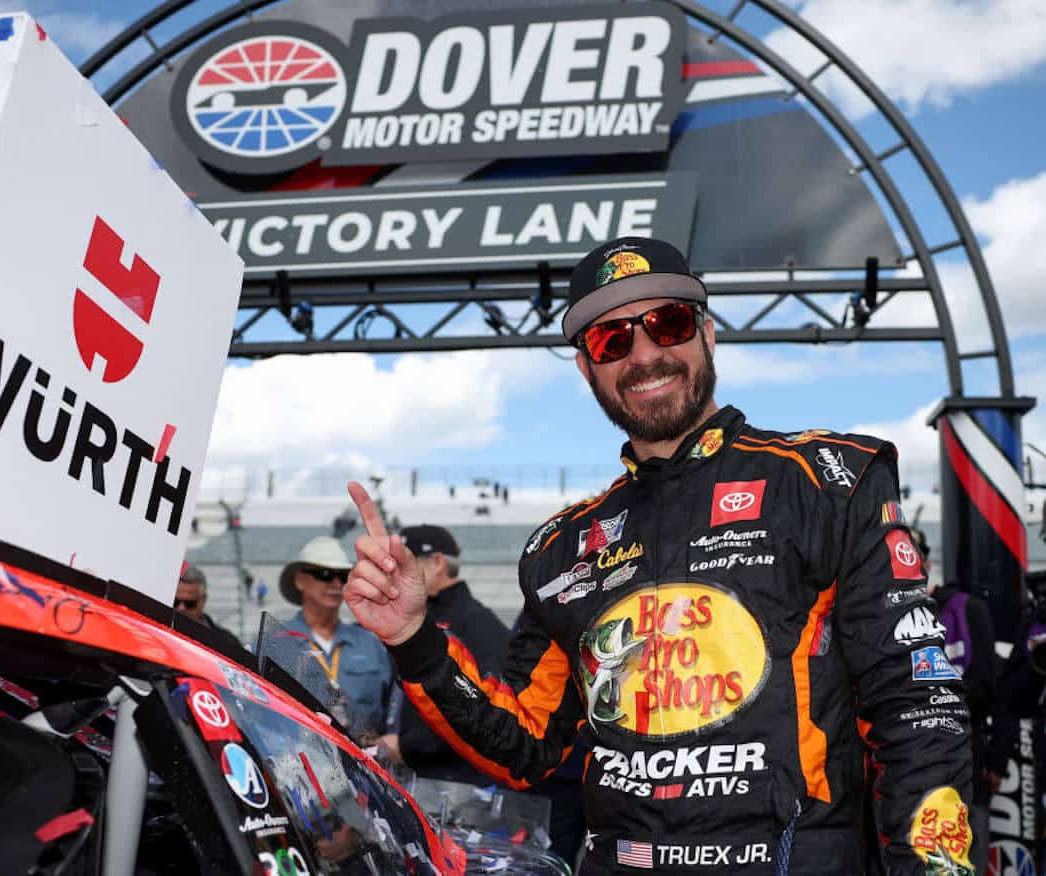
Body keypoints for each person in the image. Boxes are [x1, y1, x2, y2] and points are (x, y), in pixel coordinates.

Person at [341, 236, 974, 875]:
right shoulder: (561, 549)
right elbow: (526, 745)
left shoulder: (829, 481)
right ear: (588, 370)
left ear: (708, 333)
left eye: (666, 323)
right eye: (610, 340)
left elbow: (916, 710)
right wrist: (414, 637)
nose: (644, 354)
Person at [911, 527, 1000, 872]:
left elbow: (986, 689)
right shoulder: (879, 620)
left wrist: (925, 699)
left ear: (928, 561)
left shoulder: (967, 609)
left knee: (964, 863)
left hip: (963, 767)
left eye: (914, 553)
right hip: (899, 776)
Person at [396, 524, 511, 783]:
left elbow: (485, 716)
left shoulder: (477, 623)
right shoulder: (427, 618)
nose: (395, 575)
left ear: (437, 563)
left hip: (460, 789)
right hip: (427, 781)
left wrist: (406, 745)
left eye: (404, 565)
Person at [280, 536, 401, 758]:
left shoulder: (371, 644)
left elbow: (393, 709)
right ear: (299, 580)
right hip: (299, 772)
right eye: (324, 575)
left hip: (367, 774)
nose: (335, 584)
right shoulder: (276, 643)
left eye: (343, 576)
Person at [174, 562, 234, 638]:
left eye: (190, 603)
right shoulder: (157, 638)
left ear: (203, 600)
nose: (181, 608)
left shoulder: (226, 641)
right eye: (175, 602)